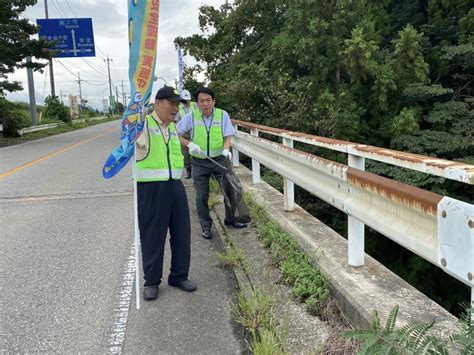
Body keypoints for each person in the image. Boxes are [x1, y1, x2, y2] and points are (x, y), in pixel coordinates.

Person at [135, 86, 197, 301]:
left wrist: (190, 145)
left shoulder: (172, 127)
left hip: (174, 184)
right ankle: (151, 281)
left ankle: (179, 276)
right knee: (153, 235)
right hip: (151, 187)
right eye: (171, 103)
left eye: (177, 104)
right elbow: (129, 140)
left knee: (182, 231)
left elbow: (175, 142)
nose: (175, 107)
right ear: (158, 103)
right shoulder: (142, 124)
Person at [177, 87, 247, 240]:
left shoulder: (222, 115)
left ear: (214, 101)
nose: (205, 104)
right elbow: (176, 133)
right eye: (201, 101)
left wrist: (226, 149)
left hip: (219, 159)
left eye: (208, 100)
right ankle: (206, 226)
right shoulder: (192, 116)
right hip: (199, 162)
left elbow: (227, 135)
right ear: (197, 103)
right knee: (201, 196)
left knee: (230, 190)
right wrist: (188, 144)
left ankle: (231, 219)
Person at [175, 89, 197, 179]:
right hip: (184, 132)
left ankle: (196, 170)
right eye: (184, 100)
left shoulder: (195, 105)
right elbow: (177, 121)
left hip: (195, 130)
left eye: (187, 100)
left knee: (196, 150)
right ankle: (188, 171)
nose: (186, 102)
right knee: (185, 153)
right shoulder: (179, 108)